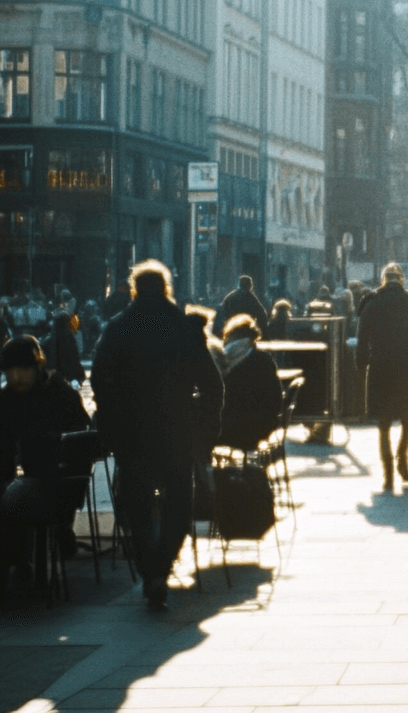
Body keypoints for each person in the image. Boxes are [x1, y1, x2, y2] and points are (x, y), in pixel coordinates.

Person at [91, 260, 223, 611]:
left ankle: (150, 569)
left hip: (132, 432)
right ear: (167, 288)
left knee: (136, 504)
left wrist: (111, 419)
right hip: (177, 429)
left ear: (134, 289)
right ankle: (162, 568)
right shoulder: (184, 327)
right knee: (179, 502)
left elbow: (99, 378)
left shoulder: (118, 327)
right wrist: (204, 428)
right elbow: (212, 385)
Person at [0, 336, 91, 591]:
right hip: (29, 479)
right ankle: (20, 559)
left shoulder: (60, 394)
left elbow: (81, 444)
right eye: (9, 372)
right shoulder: (7, 398)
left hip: (58, 481)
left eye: (21, 370)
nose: (15, 377)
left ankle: (18, 561)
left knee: (12, 501)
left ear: (36, 368)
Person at [355, 263, 408, 491]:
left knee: (384, 422)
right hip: (407, 366)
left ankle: (388, 473)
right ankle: (403, 460)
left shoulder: (371, 302)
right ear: (401, 279)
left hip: (380, 367)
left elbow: (362, 338)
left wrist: (361, 364)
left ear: (383, 279)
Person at [217, 315, 282, 452]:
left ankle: (204, 471)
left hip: (238, 428)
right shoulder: (265, 359)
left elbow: (225, 395)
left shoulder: (228, 359)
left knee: (198, 429)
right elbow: (276, 399)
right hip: (263, 426)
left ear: (231, 336)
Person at [40, 310, 85, 386]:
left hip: (54, 377)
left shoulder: (49, 340)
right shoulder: (71, 339)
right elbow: (75, 360)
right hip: (69, 377)